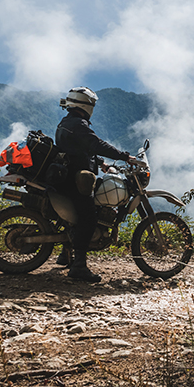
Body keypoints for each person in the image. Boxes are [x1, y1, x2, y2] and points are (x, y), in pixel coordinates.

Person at [55, 86, 137, 282]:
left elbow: (79, 150)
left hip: (68, 174)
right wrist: (125, 157)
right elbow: (96, 144)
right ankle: (79, 266)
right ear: (86, 104)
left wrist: (101, 164)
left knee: (78, 216)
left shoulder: (68, 122)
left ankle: (65, 254)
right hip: (73, 179)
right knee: (88, 217)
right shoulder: (79, 124)